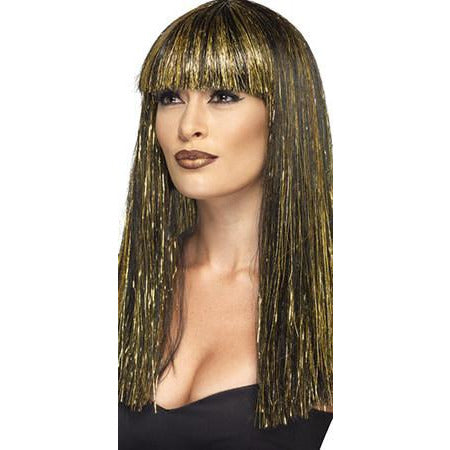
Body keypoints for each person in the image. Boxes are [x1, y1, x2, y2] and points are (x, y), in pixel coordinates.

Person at [118, 0, 333, 448]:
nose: (188, 125)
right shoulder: (125, 284)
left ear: (285, 114)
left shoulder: (330, 306)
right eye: (170, 97)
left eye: (223, 96)